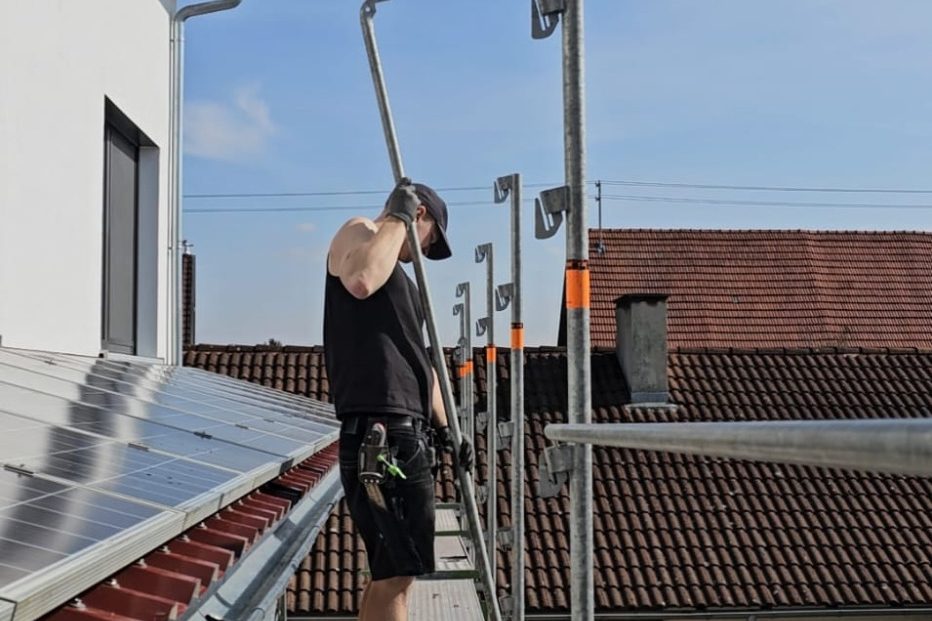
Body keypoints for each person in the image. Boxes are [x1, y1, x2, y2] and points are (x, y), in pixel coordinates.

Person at [323, 177, 473, 621]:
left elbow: (418, 361)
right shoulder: (361, 232)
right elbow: (361, 280)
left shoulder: (398, 272)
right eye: (430, 240)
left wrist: (448, 427)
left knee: (393, 570)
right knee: (396, 572)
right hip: (379, 432)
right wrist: (400, 219)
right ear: (421, 214)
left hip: (402, 431)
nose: (426, 252)